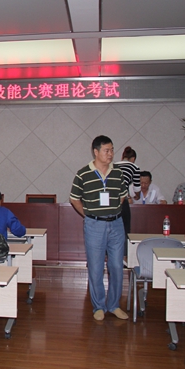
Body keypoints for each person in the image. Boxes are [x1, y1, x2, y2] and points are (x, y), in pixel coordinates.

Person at [69, 135, 129, 321]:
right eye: (106, 150)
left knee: (117, 265)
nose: (111, 154)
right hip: (94, 224)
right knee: (96, 266)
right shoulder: (83, 174)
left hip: (116, 224)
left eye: (112, 150)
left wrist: (111, 212)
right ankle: (98, 307)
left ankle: (114, 305)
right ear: (96, 152)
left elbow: (122, 196)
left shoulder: (118, 173)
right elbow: (74, 198)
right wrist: (88, 215)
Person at [115, 146, 141, 236]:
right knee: (125, 228)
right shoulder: (134, 167)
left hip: (110, 199)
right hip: (122, 200)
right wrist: (137, 196)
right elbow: (137, 187)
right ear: (133, 159)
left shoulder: (114, 165)